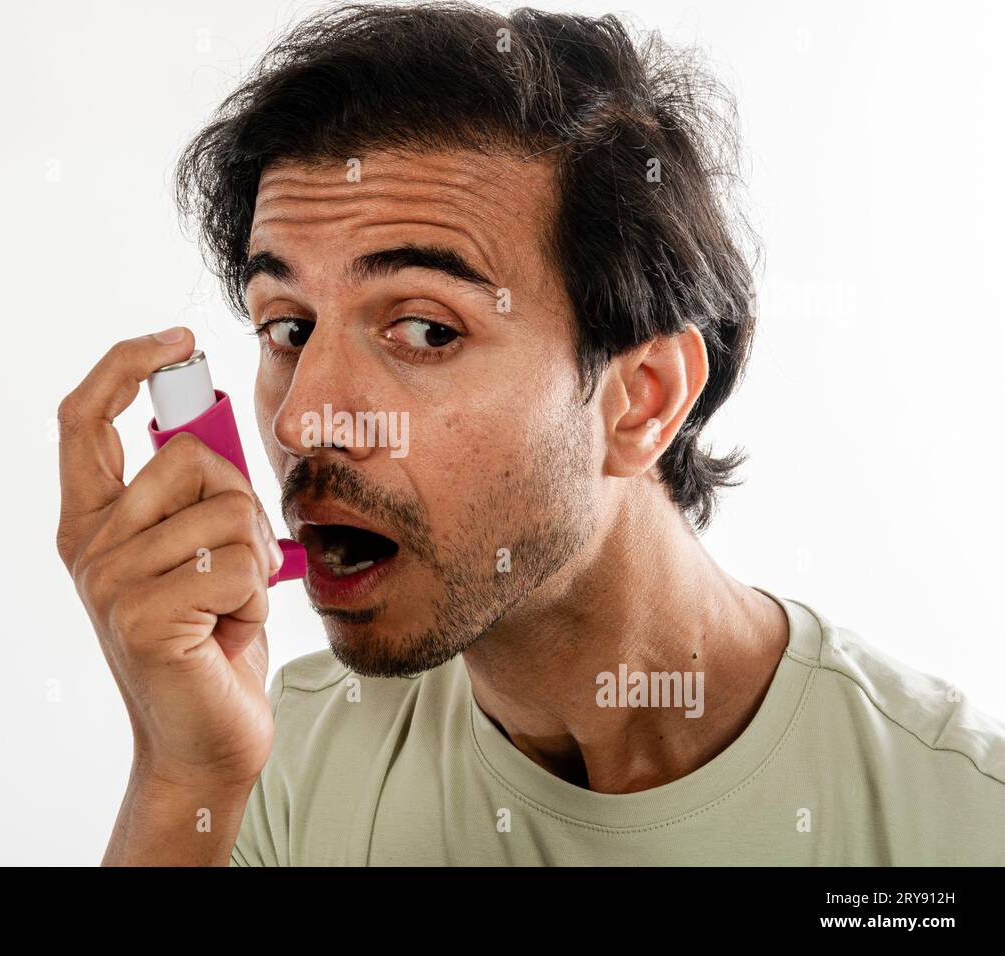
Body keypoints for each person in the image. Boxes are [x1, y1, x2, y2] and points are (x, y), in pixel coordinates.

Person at [54, 2, 1005, 865]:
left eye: (426, 329)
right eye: (287, 328)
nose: (305, 419)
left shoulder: (960, 821)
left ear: (641, 400)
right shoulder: (271, 762)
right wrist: (183, 780)